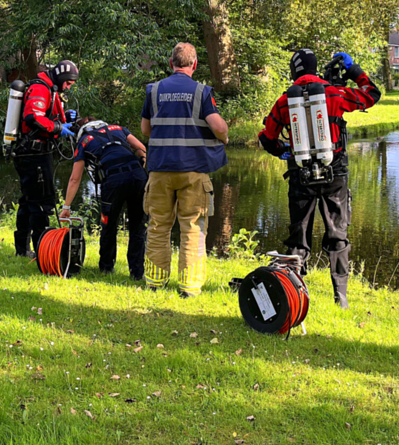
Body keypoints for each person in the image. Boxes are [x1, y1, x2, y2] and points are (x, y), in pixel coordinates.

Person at [258, 49, 380, 308]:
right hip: (334, 174)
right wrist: (354, 70)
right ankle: (341, 298)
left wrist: (283, 151)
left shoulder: (284, 101)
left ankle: (295, 298)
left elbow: (267, 138)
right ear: (315, 69)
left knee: (298, 236)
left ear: (294, 71)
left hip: (300, 175)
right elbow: (372, 94)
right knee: (338, 234)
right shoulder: (335, 93)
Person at [141, 42, 229, 297]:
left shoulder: (154, 90)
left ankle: (155, 283)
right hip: (193, 170)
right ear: (194, 64)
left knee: (158, 225)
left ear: (171, 63)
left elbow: (145, 130)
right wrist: (223, 137)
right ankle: (189, 287)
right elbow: (218, 127)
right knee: (192, 227)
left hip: (159, 169)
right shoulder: (201, 92)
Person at [58, 117, 148, 280]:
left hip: (113, 180)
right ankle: (137, 273)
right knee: (138, 227)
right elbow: (141, 148)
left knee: (108, 224)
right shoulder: (118, 129)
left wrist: (67, 207)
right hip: (138, 177)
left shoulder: (84, 141)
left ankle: (106, 268)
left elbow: (75, 179)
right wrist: (141, 165)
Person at [12, 60, 78, 257]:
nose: (68, 87)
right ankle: (42, 252)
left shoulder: (49, 88)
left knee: (28, 201)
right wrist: (58, 127)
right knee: (41, 203)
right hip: (34, 154)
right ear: (61, 78)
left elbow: (45, 115)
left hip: (33, 152)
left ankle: (23, 250)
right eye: (68, 83)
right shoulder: (41, 88)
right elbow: (33, 117)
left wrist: (64, 118)